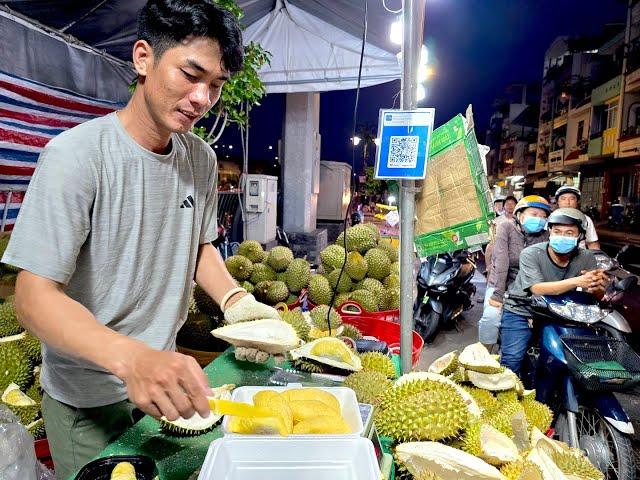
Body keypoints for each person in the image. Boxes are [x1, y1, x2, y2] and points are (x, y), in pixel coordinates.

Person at [1, 1, 281, 476]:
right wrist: (133, 361)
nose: (201, 98)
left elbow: (197, 246)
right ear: (143, 58)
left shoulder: (200, 159)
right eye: (191, 74)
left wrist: (236, 300)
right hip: (87, 401)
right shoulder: (76, 157)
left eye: (215, 85)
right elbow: (32, 297)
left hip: (163, 389)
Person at [499, 208, 608, 375]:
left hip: (557, 311)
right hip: (522, 309)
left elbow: (596, 295)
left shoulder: (586, 257)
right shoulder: (531, 253)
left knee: (570, 358)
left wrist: (597, 287)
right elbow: (537, 288)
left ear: (580, 236)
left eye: (569, 232)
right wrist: (578, 281)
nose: (562, 236)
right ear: (549, 231)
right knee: (512, 360)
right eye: (557, 231)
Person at [478, 196, 551, 351]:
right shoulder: (506, 228)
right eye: (534, 214)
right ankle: (484, 355)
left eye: (543, 217)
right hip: (501, 285)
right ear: (520, 215)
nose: (539, 219)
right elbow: (501, 262)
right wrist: (497, 295)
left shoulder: (546, 236)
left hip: (530, 289)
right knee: (491, 318)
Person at [555, 185, 600, 249]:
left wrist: (595, 256)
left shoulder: (585, 219)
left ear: (577, 202)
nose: (567, 202)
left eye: (572, 199)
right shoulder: (551, 218)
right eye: (563, 199)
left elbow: (592, 243)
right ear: (558, 202)